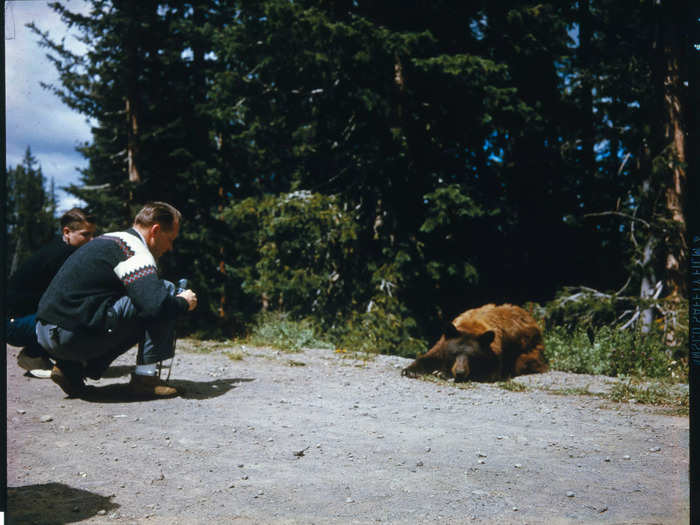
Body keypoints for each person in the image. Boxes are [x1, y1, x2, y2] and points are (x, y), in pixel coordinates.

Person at [35, 201, 198, 398]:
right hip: (68, 335)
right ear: (155, 230)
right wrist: (183, 302)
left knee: (137, 301)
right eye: (170, 239)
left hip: (45, 332)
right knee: (165, 291)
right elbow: (156, 307)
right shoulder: (135, 250)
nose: (170, 247)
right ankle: (145, 379)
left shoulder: (109, 239)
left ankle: (71, 368)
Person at [6, 207, 97, 378]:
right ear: (67, 232)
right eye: (86, 234)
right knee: (74, 313)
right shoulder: (61, 255)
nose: (92, 240)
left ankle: (41, 354)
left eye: (93, 234)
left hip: (21, 318)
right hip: (14, 323)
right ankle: (34, 355)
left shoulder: (61, 249)